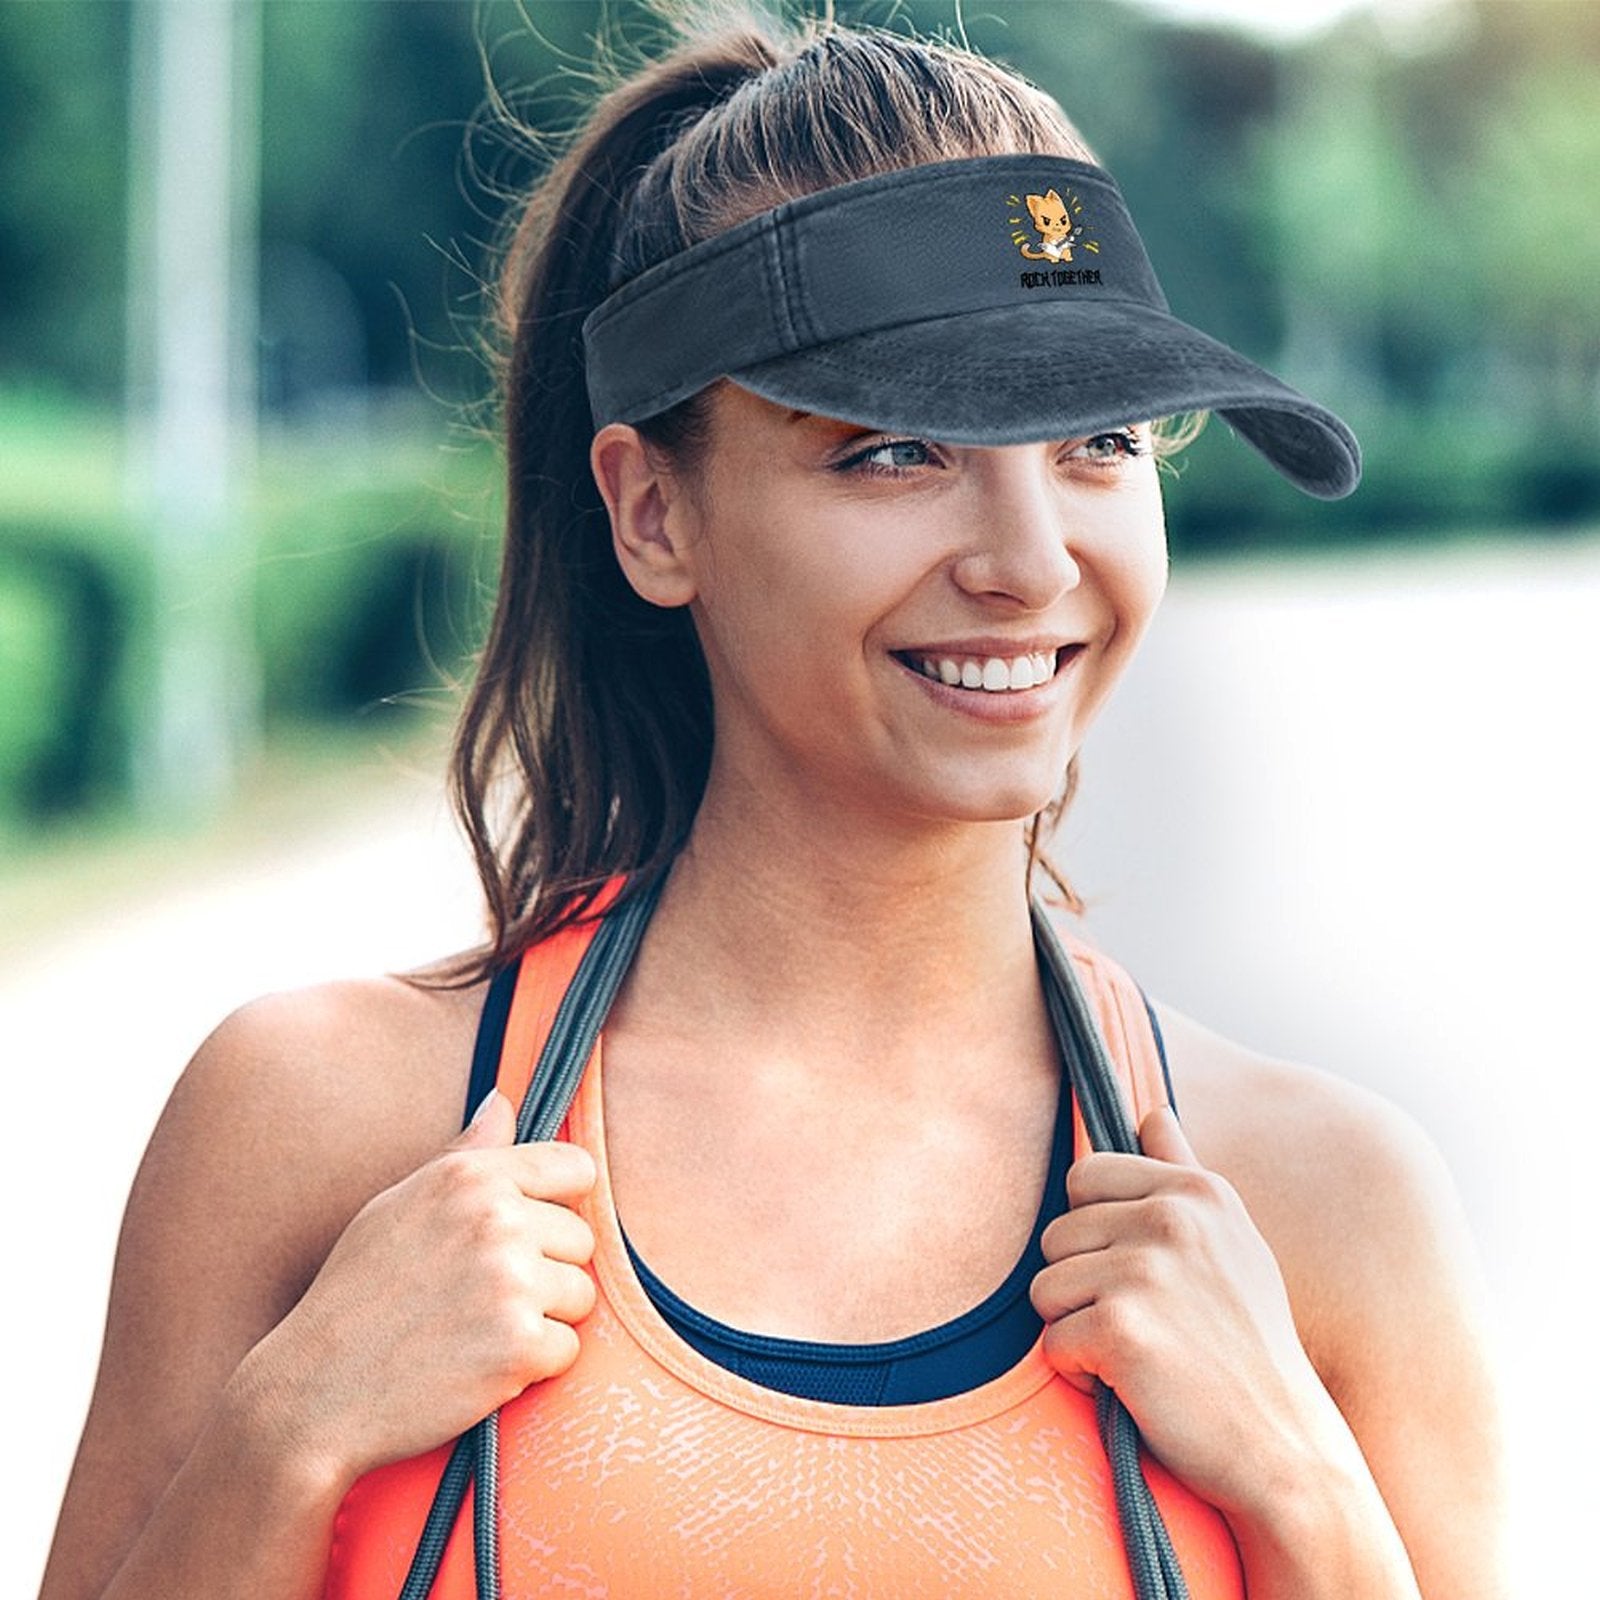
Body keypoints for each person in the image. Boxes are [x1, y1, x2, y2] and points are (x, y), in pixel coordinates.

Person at [40, 11, 1507, 1600]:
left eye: (1099, 440)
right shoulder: (323, 1128)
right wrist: (288, 1434)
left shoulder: (1322, 1206)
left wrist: (1305, 1489)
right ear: (653, 513)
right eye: (896, 451)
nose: (1030, 562)